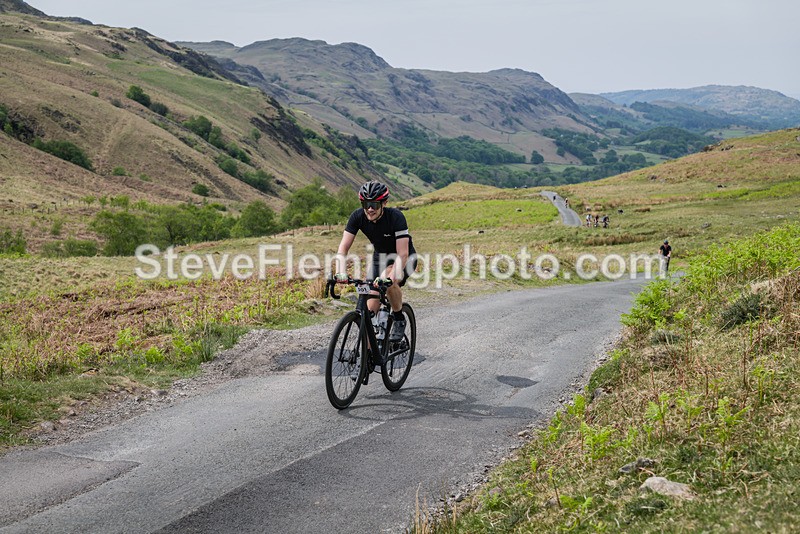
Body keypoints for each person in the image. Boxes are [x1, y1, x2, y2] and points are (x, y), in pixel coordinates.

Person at [335, 181, 417, 342]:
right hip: (380, 257)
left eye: (374, 204)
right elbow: (343, 247)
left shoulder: (396, 217)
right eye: (366, 204)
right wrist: (340, 272)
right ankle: (370, 357)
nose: (370, 209)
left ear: (384, 203)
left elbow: (403, 254)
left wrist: (391, 277)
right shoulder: (357, 216)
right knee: (368, 311)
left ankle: (399, 318)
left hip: (404, 258)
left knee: (389, 280)